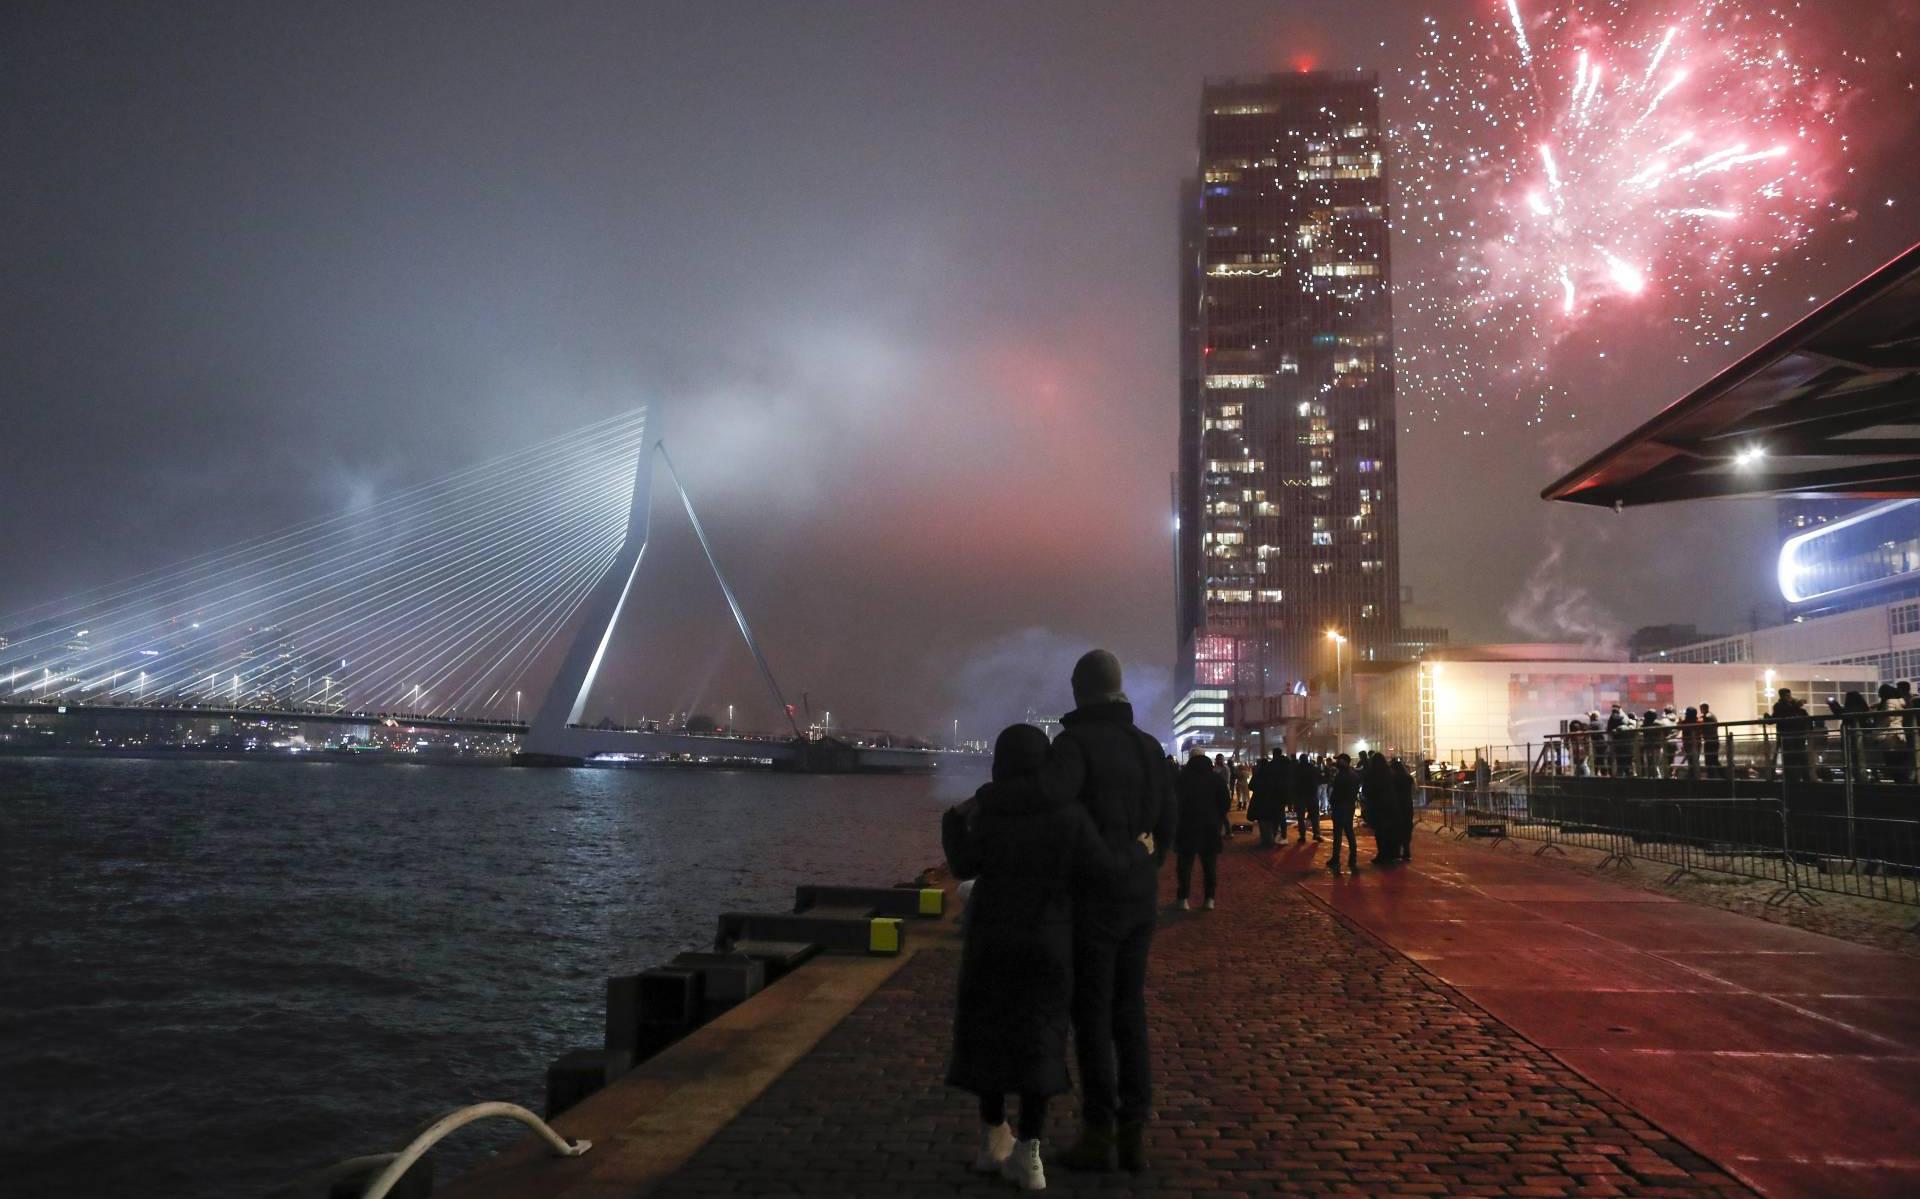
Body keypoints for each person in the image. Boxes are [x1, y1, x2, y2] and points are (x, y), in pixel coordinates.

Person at [942, 724, 1152, 1191]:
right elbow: (1104, 870)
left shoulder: (990, 809)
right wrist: (1139, 851)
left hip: (991, 939)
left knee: (990, 1034)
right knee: (1041, 1036)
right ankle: (1029, 1153)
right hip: (1049, 939)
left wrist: (953, 820)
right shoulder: (1068, 815)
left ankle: (991, 1138)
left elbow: (962, 865)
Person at [1008, 649, 1176, 1175]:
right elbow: (1168, 823)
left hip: (1092, 902)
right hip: (1140, 900)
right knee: (1130, 1012)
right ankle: (1134, 1135)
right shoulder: (1150, 749)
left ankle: (1098, 1131)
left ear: (1079, 690)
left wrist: (989, 801)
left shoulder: (1074, 745)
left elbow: (1046, 799)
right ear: (1118, 688)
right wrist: (1145, 865)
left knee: (1093, 1016)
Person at [1174, 748, 1229, 909]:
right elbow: (1224, 802)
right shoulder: (1215, 779)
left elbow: (1174, 802)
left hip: (1186, 826)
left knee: (1185, 865)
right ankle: (1209, 898)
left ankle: (1183, 898)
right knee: (1209, 865)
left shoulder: (1181, 778)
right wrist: (1217, 818)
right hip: (1210, 826)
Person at [1327, 753, 1360, 874]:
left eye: (1339, 760)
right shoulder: (1353, 775)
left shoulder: (1342, 776)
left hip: (1341, 807)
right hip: (1349, 806)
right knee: (1349, 832)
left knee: (1338, 834)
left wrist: (1333, 801)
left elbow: (1337, 792)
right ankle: (1352, 858)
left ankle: (1336, 858)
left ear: (1344, 761)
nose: (1337, 763)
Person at [1361, 749, 1396, 864]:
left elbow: (1366, 790)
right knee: (1388, 831)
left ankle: (1382, 854)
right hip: (1389, 806)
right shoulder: (1389, 773)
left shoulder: (1372, 774)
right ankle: (1389, 854)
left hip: (1376, 806)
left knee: (1379, 832)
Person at [1773, 688, 1813, 783]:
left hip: (1797, 738)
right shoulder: (1780, 706)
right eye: (1787, 696)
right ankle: (1796, 780)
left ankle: (1804, 779)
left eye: (1789, 695)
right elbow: (1782, 714)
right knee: (1792, 760)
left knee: (1800, 759)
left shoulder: (1793, 708)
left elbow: (1807, 719)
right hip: (1789, 738)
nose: (1789, 697)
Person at [1248, 749, 1284, 847]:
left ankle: (1266, 841)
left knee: (1263, 821)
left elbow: (1251, 786)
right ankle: (1272, 838)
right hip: (1272, 800)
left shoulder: (1258, 775)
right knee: (1272, 821)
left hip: (1260, 801)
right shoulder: (1273, 774)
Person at [1390, 756, 1415, 862]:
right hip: (1407, 805)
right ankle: (1406, 850)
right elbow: (1413, 791)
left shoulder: (1393, 778)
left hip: (1397, 805)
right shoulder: (1408, 778)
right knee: (1407, 827)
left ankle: (1396, 851)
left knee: (1397, 828)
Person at [1291, 752, 1321, 843]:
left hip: (1300, 796)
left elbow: (1293, 783)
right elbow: (1318, 779)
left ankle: (1302, 835)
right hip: (1312, 795)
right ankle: (1316, 834)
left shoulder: (1296, 769)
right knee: (1315, 816)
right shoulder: (1313, 768)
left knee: (1301, 817)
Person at [1700, 702, 1720, 778]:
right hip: (1714, 740)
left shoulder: (1707, 717)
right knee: (1714, 760)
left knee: (1709, 761)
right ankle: (1720, 775)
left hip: (1710, 741)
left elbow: (1704, 728)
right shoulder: (1712, 715)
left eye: (1701, 708)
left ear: (1703, 708)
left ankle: (1711, 777)